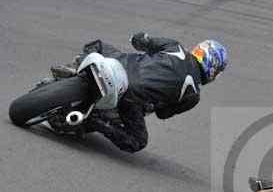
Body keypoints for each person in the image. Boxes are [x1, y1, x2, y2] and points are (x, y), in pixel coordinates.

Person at [50, 33, 228, 152]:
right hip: (132, 96)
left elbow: (140, 41)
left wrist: (139, 37)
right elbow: (162, 112)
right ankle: (94, 120)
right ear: (214, 70)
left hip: (119, 64)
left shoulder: (176, 47)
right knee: (138, 142)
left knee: (98, 44)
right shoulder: (193, 95)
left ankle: (74, 68)